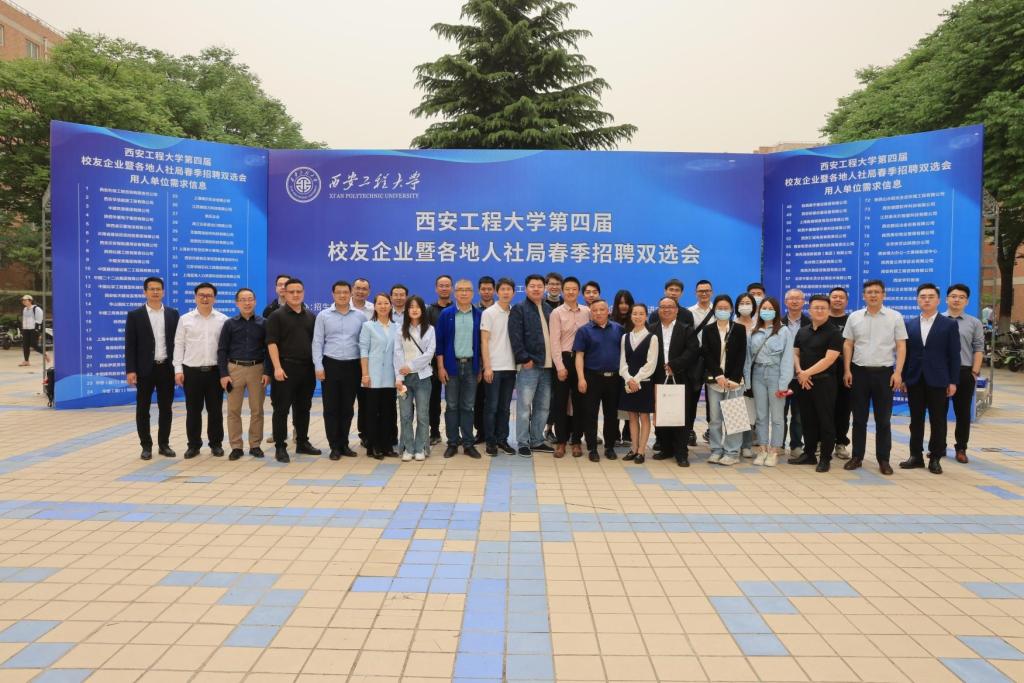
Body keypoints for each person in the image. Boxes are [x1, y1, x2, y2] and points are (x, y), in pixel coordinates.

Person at [841, 279, 907, 476]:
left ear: (883, 295)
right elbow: (848, 344)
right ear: (863, 296)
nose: (873, 295)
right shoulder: (854, 317)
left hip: (884, 373)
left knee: (883, 420)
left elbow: (901, 346)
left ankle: (883, 459)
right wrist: (847, 370)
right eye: (869, 292)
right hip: (858, 372)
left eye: (877, 292)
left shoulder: (895, 317)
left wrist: (898, 372)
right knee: (858, 418)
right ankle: (857, 456)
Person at [900, 283, 961, 475]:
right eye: (923, 297)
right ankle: (915, 456)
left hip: (939, 379)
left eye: (930, 296)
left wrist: (953, 381)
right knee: (916, 420)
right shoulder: (909, 324)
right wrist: (903, 377)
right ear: (917, 300)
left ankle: (935, 457)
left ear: (938, 300)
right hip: (915, 379)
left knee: (938, 420)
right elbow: (905, 354)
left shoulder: (949, 324)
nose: (926, 300)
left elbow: (954, 355)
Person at [266, 278, 321, 463]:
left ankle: (302, 442)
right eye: (291, 292)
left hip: (307, 369)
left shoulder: (311, 316)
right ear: (285, 293)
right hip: (285, 368)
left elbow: (316, 343)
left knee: (303, 408)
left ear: (303, 293)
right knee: (281, 409)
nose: (295, 295)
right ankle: (280, 446)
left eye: (299, 291)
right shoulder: (276, 316)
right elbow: (271, 343)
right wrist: (277, 367)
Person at [125, 277, 179, 460]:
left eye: (158, 289)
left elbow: (178, 343)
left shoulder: (173, 314)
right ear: (145, 292)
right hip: (144, 370)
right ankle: (146, 446)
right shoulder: (135, 315)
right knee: (142, 409)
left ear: (163, 292)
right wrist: (131, 370)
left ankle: (164, 444)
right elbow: (130, 345)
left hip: (166, 368)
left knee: (166, 408)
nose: (155, 292)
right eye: (151, 289)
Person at [173, 282, 229, 459]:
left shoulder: (223, 320)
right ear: (195, 297)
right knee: (193, 411)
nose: (205, 298)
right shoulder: (185, 319)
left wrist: (225, 372)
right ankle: (194, 445)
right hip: (192, 372)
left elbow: (226, 348)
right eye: (201, 295)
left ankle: (216, 444)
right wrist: (178, 370)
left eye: (209, 295)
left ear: (214, 298)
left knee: (215, 411)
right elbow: (179, 345)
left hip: (215, 372)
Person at [313, 280, 367, 460]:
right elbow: (317, 342)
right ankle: (334, 446)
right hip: (331, 364)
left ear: (350, 294)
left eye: (345, 292)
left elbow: (365, 343)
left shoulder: (360, 316)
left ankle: (344, 444)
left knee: (347, 408)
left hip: (353, 366)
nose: (342, 295)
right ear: (333, 294)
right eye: (339, 292)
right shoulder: (323, 316)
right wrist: (318, 365)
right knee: (331, 408)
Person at [791, 295, 844, 473]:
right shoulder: (802, 331)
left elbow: (829, 359)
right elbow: (795, 353)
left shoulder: (834, 333)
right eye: (816, 308)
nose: (819, 311)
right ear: (809, 310)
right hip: (803, 382)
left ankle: (825, 458)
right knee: (807, 419)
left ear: (828, 311)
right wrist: (800, 372)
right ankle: (809, 454)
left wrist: (807, 373)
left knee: (825, 421)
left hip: (824, 382)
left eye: (823, 308)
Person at [217, 288, 270, 461]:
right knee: (233, 410)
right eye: (243, 300)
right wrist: (223, 374)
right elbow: (222, 350)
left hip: (257, 369)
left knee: (257, 410)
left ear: (255, 301)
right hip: (235, 369)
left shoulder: (264, 323)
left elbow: (269, 350)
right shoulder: (229, 324)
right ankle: (236, 446)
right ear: (237, 303)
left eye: (250, 299)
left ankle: (255, 445)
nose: (247, 303)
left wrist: (267, 372)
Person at [648, 297, 700, 466]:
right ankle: (665, 448)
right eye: (663, 307)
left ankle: (681, 453)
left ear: (677, 310)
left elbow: (692, 351)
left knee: (681, 416)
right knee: (662, 414)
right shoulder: (651, 329)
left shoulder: (686, 329)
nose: (666, 310)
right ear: (658, 310)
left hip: (680, 377)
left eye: (670, 307)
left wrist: (674, 365)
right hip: (658, 377)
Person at [435, 278, 483, 459]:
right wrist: (441, 367)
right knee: (452, 406)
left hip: (471, 366)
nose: (464, 293)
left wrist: (480, 367)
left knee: (468, 406)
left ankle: (468, 444)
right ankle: (453, 442)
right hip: (451, 366)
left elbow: (482, 344)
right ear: (455, 293)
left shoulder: (478, 314)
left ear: (473, 293)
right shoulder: (446, 314)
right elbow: (439, 343)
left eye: (467, 290)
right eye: (460, 290)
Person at [743, 297, 793, 467]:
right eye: (764, 308)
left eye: (770, 308)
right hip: (757, 374)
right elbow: (748, 359)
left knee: (777, 416)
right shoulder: (753, 331)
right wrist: (747, 382)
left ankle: (774, 450)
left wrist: (783, 383)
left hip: (775, 374)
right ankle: (762, 449)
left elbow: (787, 359)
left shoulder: (784, 331)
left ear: (776, 311)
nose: (767, 311)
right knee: (761, 415)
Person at [509, 274, 555, 456]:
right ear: (526, 288)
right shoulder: (519, 309)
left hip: (547, 367)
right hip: (530, 365)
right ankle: (522, 442)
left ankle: (537, 440)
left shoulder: (548, 309)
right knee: (524, 406)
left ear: (544, 288)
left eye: (539, 286)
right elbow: (515, 336)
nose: (536, 289)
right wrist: (523, 358)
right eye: (532, 286)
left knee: (543, 407)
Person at [574, 299, 624, 462]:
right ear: (591, 312)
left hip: (614, 378)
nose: (599, 313)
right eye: (595, 310)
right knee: (590, 414)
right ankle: (592, 448)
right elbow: (579, 356)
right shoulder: (584, 331)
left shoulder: (618, 329)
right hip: (592, 378)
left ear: (608, 311)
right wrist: (581, 378)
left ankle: (609, 447)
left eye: (602, 309)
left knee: (611, 415)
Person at [549, 276, 591, 458]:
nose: (571, 292)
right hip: (564, 360)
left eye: (574, 289)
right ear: (562, 291)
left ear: (579, 291)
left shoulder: (587, 311)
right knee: (560, 403)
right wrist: (559, 366)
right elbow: (554, 342)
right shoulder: (556, 313)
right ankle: (561, 441)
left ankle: (576, 441)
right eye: (567, 289)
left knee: (580, 403)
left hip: (583, 361)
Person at [703, 295, 747, 466]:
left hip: (734, 382)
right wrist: (718, 375)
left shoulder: (739, 329)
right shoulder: (708, 330)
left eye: (726, 308)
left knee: (734, 417)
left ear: (731, 310)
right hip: (715, 382)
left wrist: (734, 378)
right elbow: (706, 354)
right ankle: (716, 450)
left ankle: (732, 452)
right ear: (714, 310)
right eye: (719, 308)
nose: (722, 310)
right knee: (715, 418)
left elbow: (742, 355)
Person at [944, 283, 985, 464]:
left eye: (961, 297)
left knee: (963, 413)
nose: (957, 299)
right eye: (953, 296)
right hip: (941, 373)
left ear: (967, 301)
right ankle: (938, 446)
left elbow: (978, 348)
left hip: (964, 372)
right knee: (939, 413)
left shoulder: (974, 323)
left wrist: (974, 372)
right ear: (946, 299)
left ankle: (961, 448)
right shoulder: (938, 320)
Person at [395, 296, 436, 461]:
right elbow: (397, 354)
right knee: (405, 415)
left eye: (417, 306)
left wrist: (410, 366)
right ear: (407, 310)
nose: (414, 309)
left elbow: (429, 354)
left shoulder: (430, 329)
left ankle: (420, 448)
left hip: (423, 378)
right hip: (404, 379)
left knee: (422, 415)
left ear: (422, 310)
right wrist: (399, 377)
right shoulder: (400, 330)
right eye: (411, 306)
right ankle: (408, 448)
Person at [481, 278, 518, 456]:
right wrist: (487, 367)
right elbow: (484, 341)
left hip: (510, 368)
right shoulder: (489, 313)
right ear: (497, 292)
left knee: (505, 407)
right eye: (502, 289)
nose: (505, 292)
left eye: (509, 289)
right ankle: (490, 441)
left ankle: (502, 439)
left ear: (513, 292)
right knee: (492, 407)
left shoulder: (515, 312)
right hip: (494, 368)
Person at [360, 293, 399, 459]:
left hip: (390, 376)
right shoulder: (368, 326)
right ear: (374, 306)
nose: (383, 306)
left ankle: (387, 446)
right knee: (372, 412)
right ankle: (373, 446)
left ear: (391, 305)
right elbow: (363, 351)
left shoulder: (397, 327)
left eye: (386, 303)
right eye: (379, 303)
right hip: (373, 375)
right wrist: (365, 374)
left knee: (388, 413)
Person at [619, 303, 658, 464]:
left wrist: (636, 379)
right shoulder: (625, 337)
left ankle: (641, 451)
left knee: (644, 416)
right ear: (631, 316)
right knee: (632, 416)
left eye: (641, 313)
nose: (638, 316)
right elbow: (622, 362)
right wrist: (628, 378)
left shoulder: (652, 338)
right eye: (635, 313)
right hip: (628, 383)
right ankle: (633, 448)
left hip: (644, 383)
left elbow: (651, 364)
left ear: (646, 316)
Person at [426, 275, 454, 446]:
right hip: (432, 363)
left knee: (454, 401)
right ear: (436, 288)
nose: (444, 288)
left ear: (452, 288)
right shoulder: (429, 311)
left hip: (453, 361)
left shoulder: (457, 309)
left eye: (447, 285)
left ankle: (454, 434)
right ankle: (434, 432)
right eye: (441, 286)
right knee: (433, 400)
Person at [782, 288, 810, 458]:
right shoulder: (778, 322)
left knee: (799, 415)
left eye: (798, 298)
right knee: (780, 413)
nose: (794, 301)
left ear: (803, 302)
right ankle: (778, 444)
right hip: (782, 377)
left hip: (802, 376)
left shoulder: (810, 323)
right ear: (786, 302)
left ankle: (796, 445)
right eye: (791, 298)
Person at [688, 280, 715, 446]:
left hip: (714, 359)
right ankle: (689, 431)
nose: (704, 293)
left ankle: (712, 431)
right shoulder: (689, 312)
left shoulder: (718, 311)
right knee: (692, 397)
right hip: (695, 360)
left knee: (714, 398)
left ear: (711, 292)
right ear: (695, 293)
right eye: (701, 291)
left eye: (707, 290)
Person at [828, 287, 852, 460]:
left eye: (841, 297)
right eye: (834, 297)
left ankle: (841, 442)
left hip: (846, 372)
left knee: (844, 409)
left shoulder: (852, 320)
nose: (837, 300)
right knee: (824, 408)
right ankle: (821, 441)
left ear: (846, 301)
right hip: (824, 371)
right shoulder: (822, 318)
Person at [733, 292, 758, 459]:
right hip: (735, 372)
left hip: (756, 373)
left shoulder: (759, 325)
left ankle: (747, 444)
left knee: (750, 410)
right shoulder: (732, 324)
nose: (745, 305)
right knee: (735, 408)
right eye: (742, 303)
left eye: (748, 302)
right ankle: (734, 444)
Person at [473, 276, 496, 443]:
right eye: (483, 289)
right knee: (478, 399)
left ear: (494, 290)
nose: (486, 292)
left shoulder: (501, 309)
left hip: (497, 360)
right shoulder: (473, 310)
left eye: (489, 289)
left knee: (494, 401)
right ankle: (480, 432)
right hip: (477, 361)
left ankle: (494, 432)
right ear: (479, 291)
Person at [18, 295, 48, 366]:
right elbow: (24, 320)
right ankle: (26, 361)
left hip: (33, 329)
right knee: (25, 345)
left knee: (34, 344)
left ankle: (45, 353)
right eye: (23, 300)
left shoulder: (36, 309)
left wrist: (37, 330)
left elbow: (39, 320)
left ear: (30, 301)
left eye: (25, 300)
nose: (23, 301)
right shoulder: (25, 309)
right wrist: (23, 328)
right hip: (26, 329)